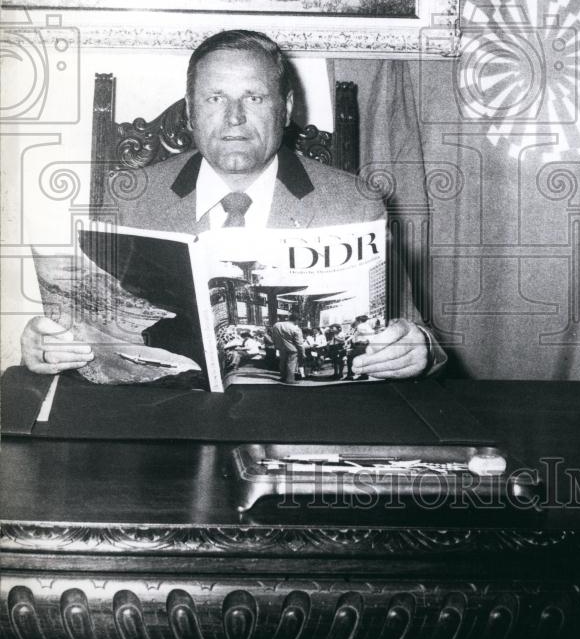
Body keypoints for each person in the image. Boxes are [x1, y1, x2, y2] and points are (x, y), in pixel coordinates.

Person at [21, 29, 445, 380]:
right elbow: (103, 326)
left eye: (254, 98)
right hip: (171, 418)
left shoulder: (355, 203)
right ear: (189, 112)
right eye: (214, 98)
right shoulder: (132, 193)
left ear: (285, 109)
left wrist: (418, 348)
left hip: (299, 425)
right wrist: (53, 345)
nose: (234, 117)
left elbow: (419, 335)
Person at [270, 316, 305, 384]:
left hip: (281, 347)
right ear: (296, 320)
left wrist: (276, 344)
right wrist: (302, 353)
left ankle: (283, 377)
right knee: (291, 364)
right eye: (299, 321)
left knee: (282, 362)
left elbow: (273, 336)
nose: (299, 323)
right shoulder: (296, 328)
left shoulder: (277, 325)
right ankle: (290, 379)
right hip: (292, 349)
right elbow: (299, 343)